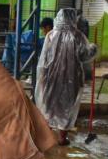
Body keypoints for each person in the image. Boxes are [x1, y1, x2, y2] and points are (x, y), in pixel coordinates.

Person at [35, 9, 97, 146]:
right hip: (71, 78)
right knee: (67, 107)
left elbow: (43, 59)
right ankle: (62, 138)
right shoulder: (78, 36)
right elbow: (85, 56)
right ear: (72, 18)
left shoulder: (50, 35)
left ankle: (47, 136)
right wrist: (93, 49)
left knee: (49, 105)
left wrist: (42, 77)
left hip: (51, 77)